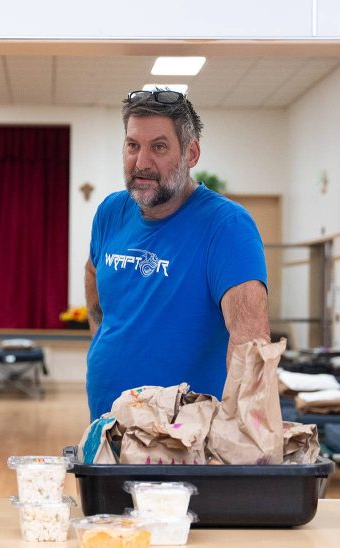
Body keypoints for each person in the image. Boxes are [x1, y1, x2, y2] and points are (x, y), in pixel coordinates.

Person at [84, 89, 270, 419]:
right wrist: (101, 339)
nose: (141, 163)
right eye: (132, 146)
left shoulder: (226, 226)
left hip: (185, 442)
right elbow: (93, 271)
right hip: (106, 426)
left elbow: (251, 346)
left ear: (191, 153)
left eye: (158, 147)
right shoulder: (111, 212)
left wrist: (237, 436)